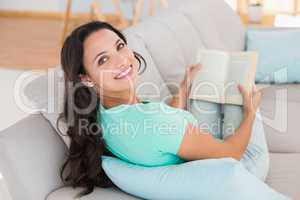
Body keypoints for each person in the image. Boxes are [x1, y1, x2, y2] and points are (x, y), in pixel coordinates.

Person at [59, 21, 269, 196]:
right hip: (242, 163)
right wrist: (251, 114)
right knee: (245, 89)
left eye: (120, 46)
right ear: (85, 78)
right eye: (104, 59)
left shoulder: (102, 113)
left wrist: (184, 87)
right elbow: (232, 153)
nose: (122, 60)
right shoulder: (151, 123)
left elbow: (164, 125)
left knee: (217, 84)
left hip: (194, 142)